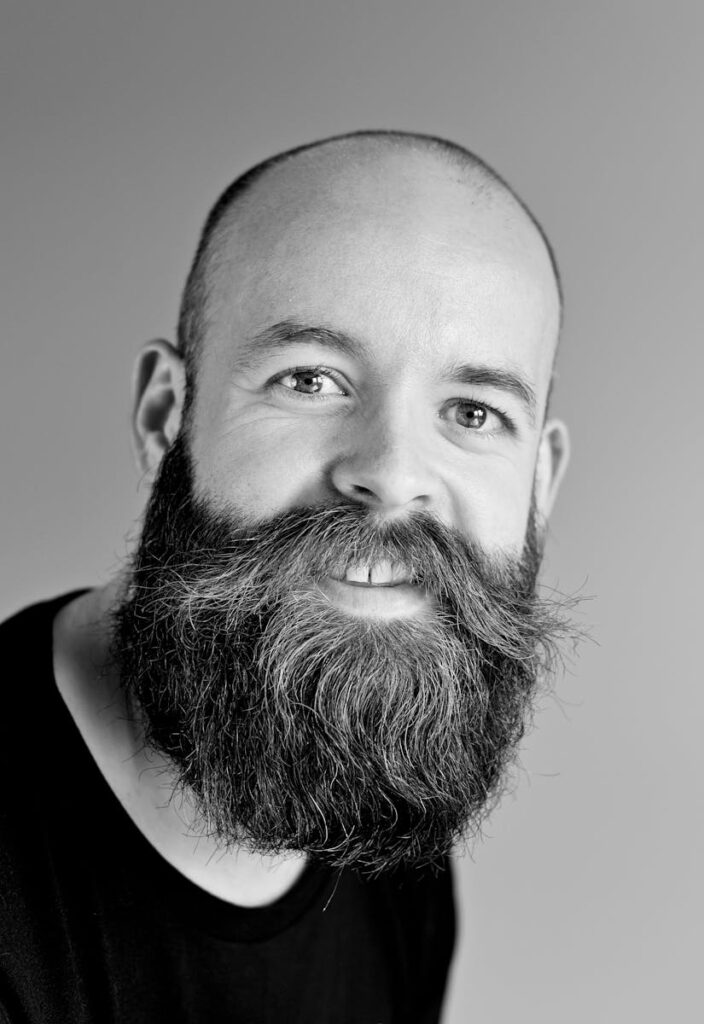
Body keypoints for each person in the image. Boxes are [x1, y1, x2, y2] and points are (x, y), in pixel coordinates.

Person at [0, 129, 572, 1023]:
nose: (392, 473)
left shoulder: (376, 801)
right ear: (164, 417)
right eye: (309, 380)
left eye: (472, 412)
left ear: (540, 484)